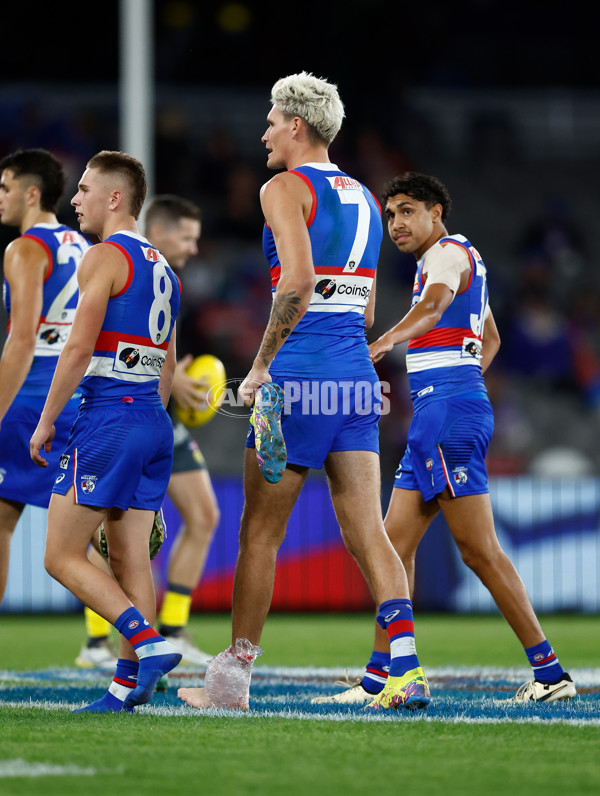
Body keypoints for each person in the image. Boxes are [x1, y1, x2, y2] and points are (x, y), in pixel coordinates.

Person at [178, 72, 430, 712]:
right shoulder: (370, 199)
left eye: (270, 120)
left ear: (296, 124)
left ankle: (231, 684)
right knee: (367, 530)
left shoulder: (283, 188)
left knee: (259, 534)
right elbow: (368, 308)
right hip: (354, 379)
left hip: (298, 374)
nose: (263, 131)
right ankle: (406, 666)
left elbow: (295, 281)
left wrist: (261, 367)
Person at [313, 172, 576, 705]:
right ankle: (378, 680)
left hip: (446, 414)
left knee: (478, 551)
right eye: (390, 215)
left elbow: (433, 309)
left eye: (407, 211)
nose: (396, 223)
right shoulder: (461, 261)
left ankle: (550, 674)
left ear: (436, 212)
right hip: (441, 411)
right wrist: (461, 381)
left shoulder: (446, 256)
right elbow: (492, 336)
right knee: (392, 548)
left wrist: (387, 343)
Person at [30, 150, 183, 713]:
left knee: (60, 554)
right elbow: (167, 365)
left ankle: (147, 642)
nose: (75, 198)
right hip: (151, 419)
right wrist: (149, 428)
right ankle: (128, 687)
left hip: (109, 417)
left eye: (86, 188)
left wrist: (47, 420)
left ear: (115, 198)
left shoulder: (103, 257)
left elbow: (76, 347)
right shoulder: (164, 267)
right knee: (130, 559)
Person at [76, 194, 219, 668]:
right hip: (125, 407)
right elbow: (111, 344)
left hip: (156, 415)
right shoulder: (124, 262)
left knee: (202, 516)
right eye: (187, 236)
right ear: (158, 232)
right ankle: (99, 639)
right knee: (99, 531)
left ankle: (170, 631)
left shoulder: (168, 279)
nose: (194, 247)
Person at [0, 148, 90, 607]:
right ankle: (139, 645)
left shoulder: (25, 248)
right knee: (97, 535)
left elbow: (22, 340)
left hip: (30, 399)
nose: (0, 197)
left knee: (1, 521)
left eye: (5, 187)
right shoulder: (82, 246)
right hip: (80, 401)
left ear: (31, 193)